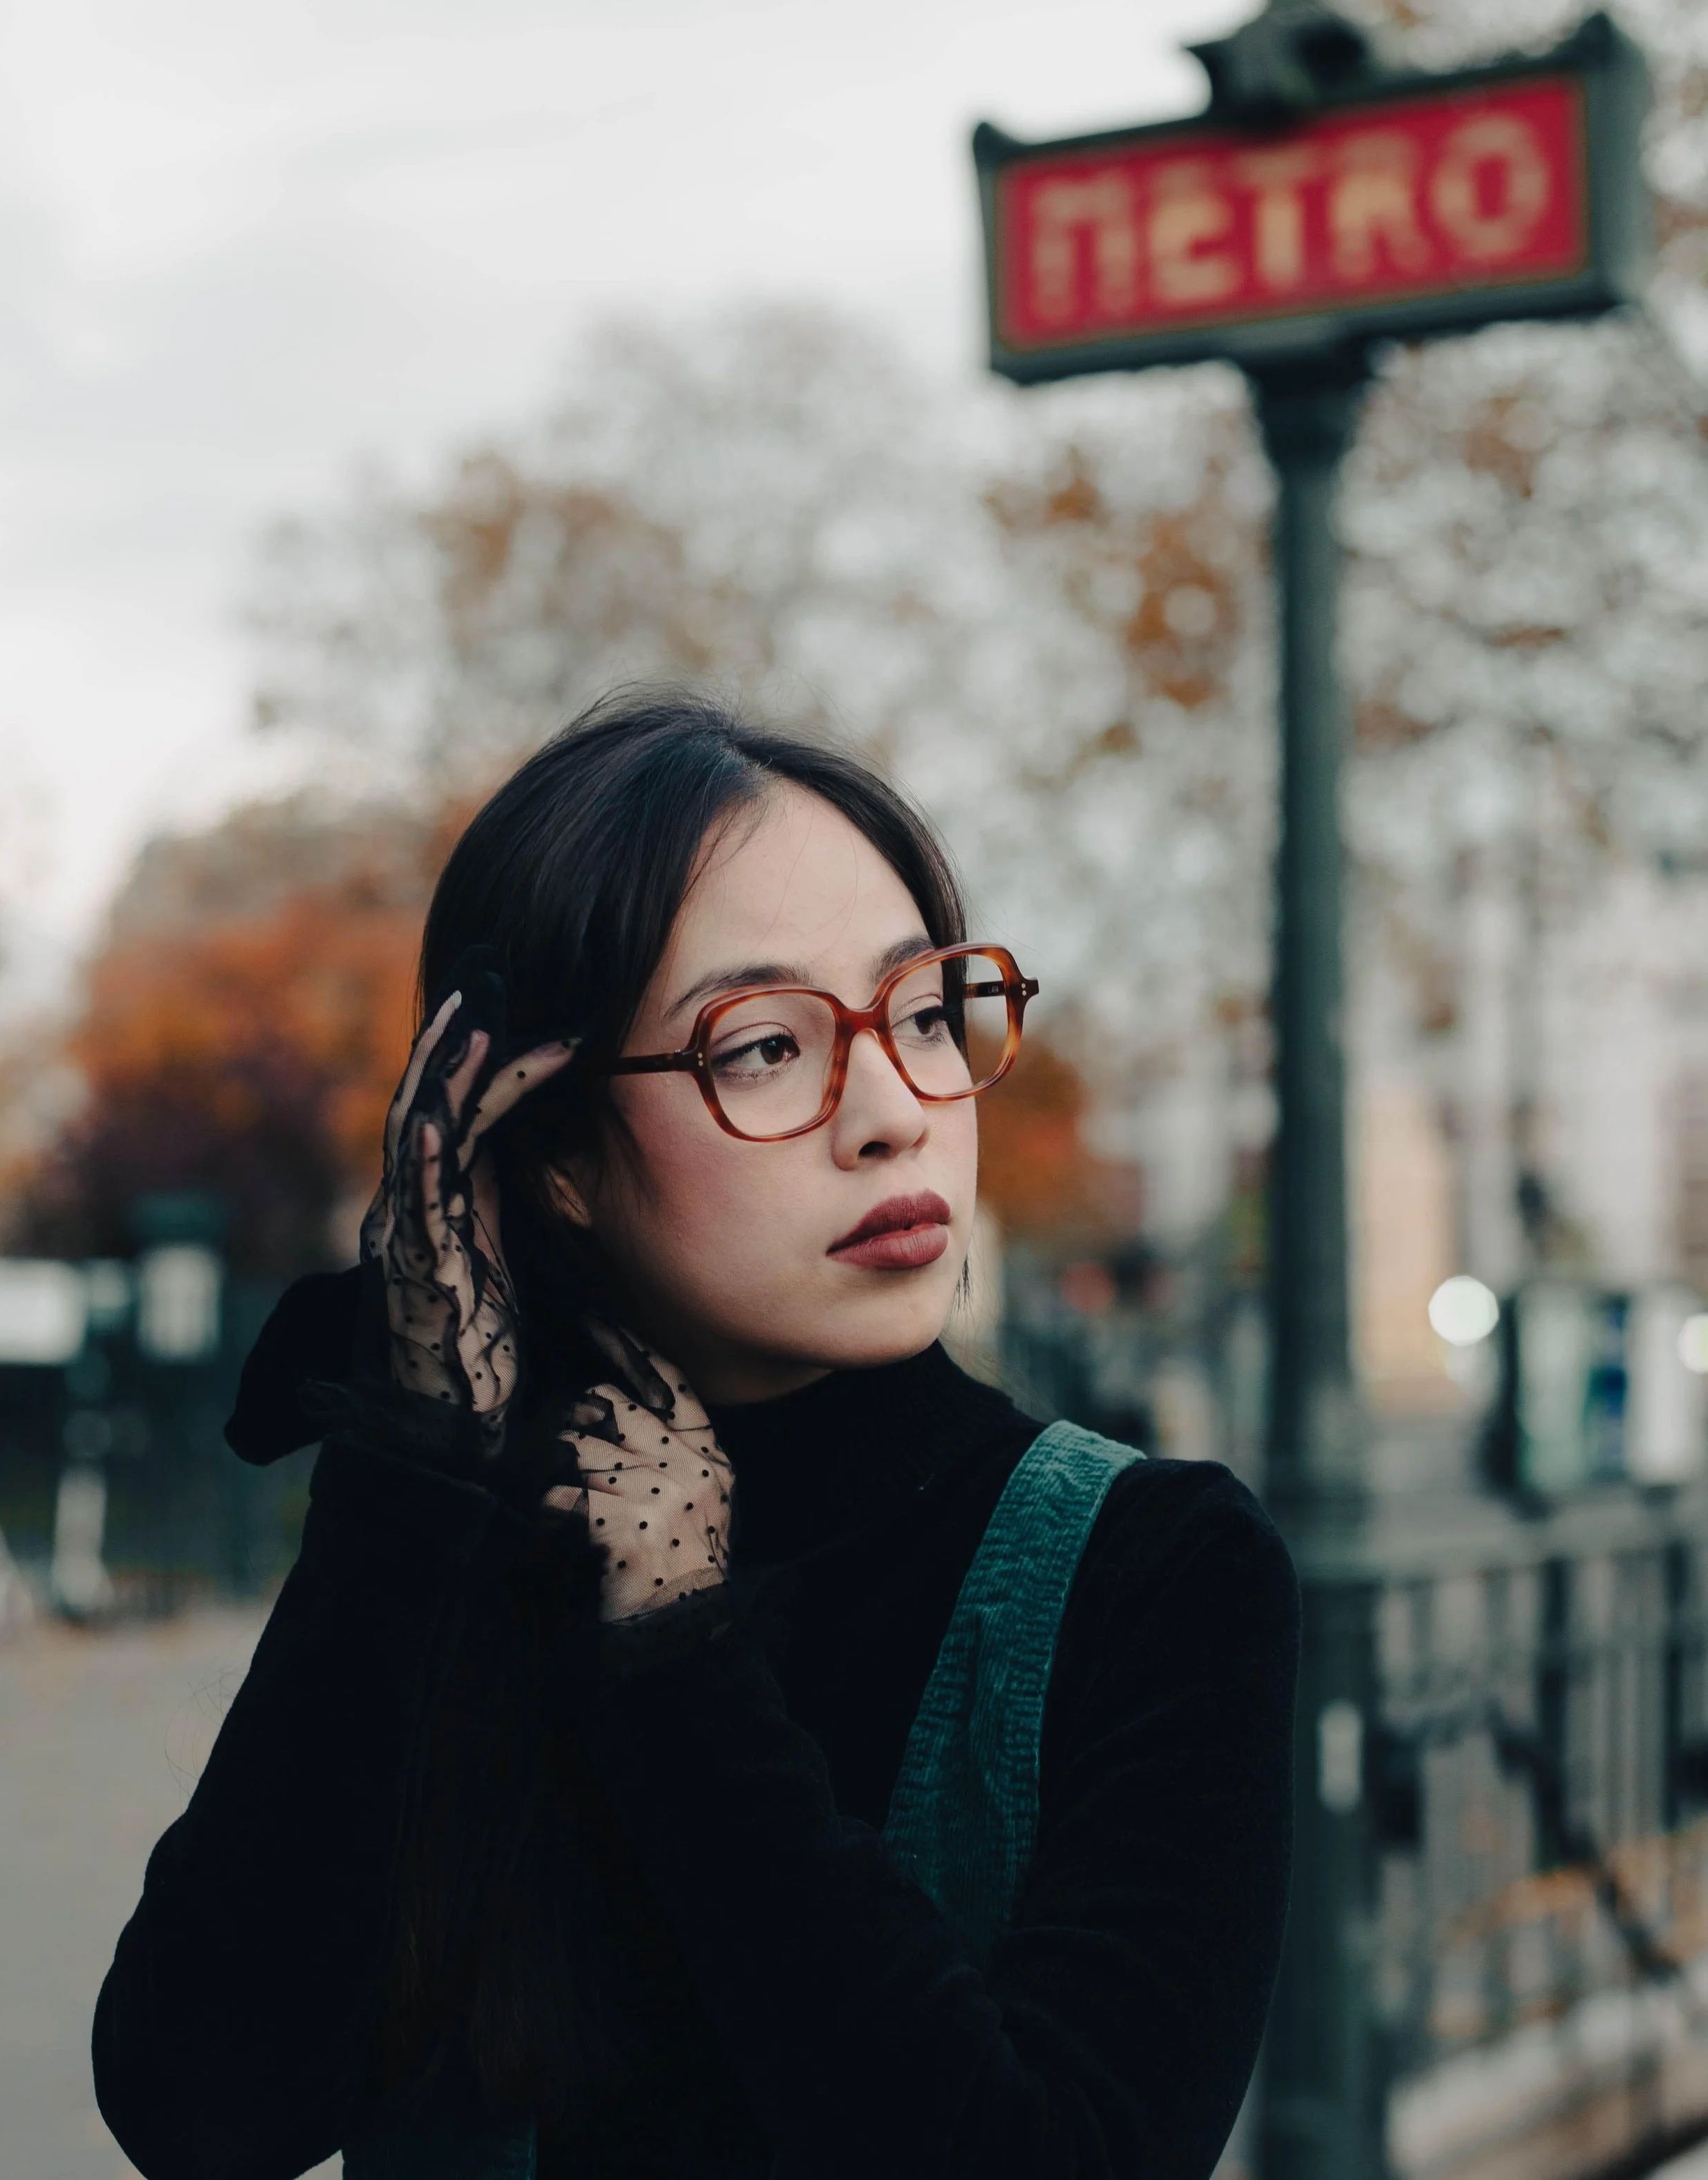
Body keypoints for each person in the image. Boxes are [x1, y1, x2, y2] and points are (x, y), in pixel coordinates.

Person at [92, 687, 1300, 2180]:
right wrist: (409, 1477)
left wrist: (677, 1655)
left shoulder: (1148, 1568)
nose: (891, 1109)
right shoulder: (456, 1536)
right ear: (547, 1150)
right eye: (764, 1045)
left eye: (922, 1009)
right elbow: (200, 2108)